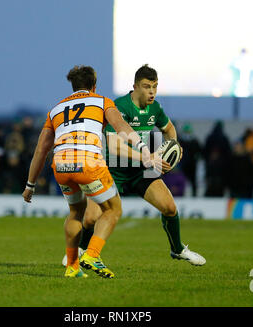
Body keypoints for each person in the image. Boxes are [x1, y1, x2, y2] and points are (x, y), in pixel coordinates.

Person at [62, 64, 206, 267]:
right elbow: (114, 146)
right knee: (91, 218)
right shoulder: (119, 106)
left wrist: (174, 146)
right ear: (135, 87)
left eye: (155, 86)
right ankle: (80, 253)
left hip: (141, 172)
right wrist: (147, 158)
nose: (152, 92)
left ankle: (178, 250)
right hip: (113, 170)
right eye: (147, 86)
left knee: (170, 208)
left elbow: (169, 128)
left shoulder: (155, 108)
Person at [22, 65, 157, 278]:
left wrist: (30, 185)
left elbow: (41, 150)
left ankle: (72, 267)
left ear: (73, 86)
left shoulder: (56, 109)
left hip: (61, 165)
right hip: (88, 163)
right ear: (94, 86)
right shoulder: (102, 101)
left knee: (76, 212)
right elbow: (121, 126)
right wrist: (144, 149)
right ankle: (92, 254)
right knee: (113, 209)